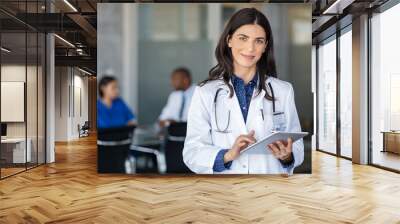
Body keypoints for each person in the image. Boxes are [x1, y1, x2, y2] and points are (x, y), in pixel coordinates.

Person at [182, 8, 304, 174]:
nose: (250, 48)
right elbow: (192, 152)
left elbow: (297, 147)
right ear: (229, 40)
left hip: (270, 191)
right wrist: (227, 155)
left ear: (265, 46)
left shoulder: (283, 91)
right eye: (243, 38)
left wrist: (287, 157)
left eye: (259, 41)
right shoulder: (205, 92)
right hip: (225, 193)